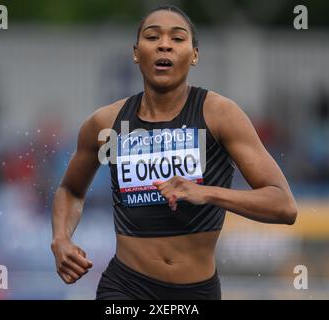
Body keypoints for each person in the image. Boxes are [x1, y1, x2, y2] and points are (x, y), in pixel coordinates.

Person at [51, 5, 298, 300]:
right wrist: (61, 239)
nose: (164, 44)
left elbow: (284, 206)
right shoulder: (106, 123)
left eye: (178, 39)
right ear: (136, 52)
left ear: (194, 55)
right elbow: (71, 189)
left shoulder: (220, 114)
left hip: (196, 293)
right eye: (152, 37)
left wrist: (206, 193)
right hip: (125, 287)